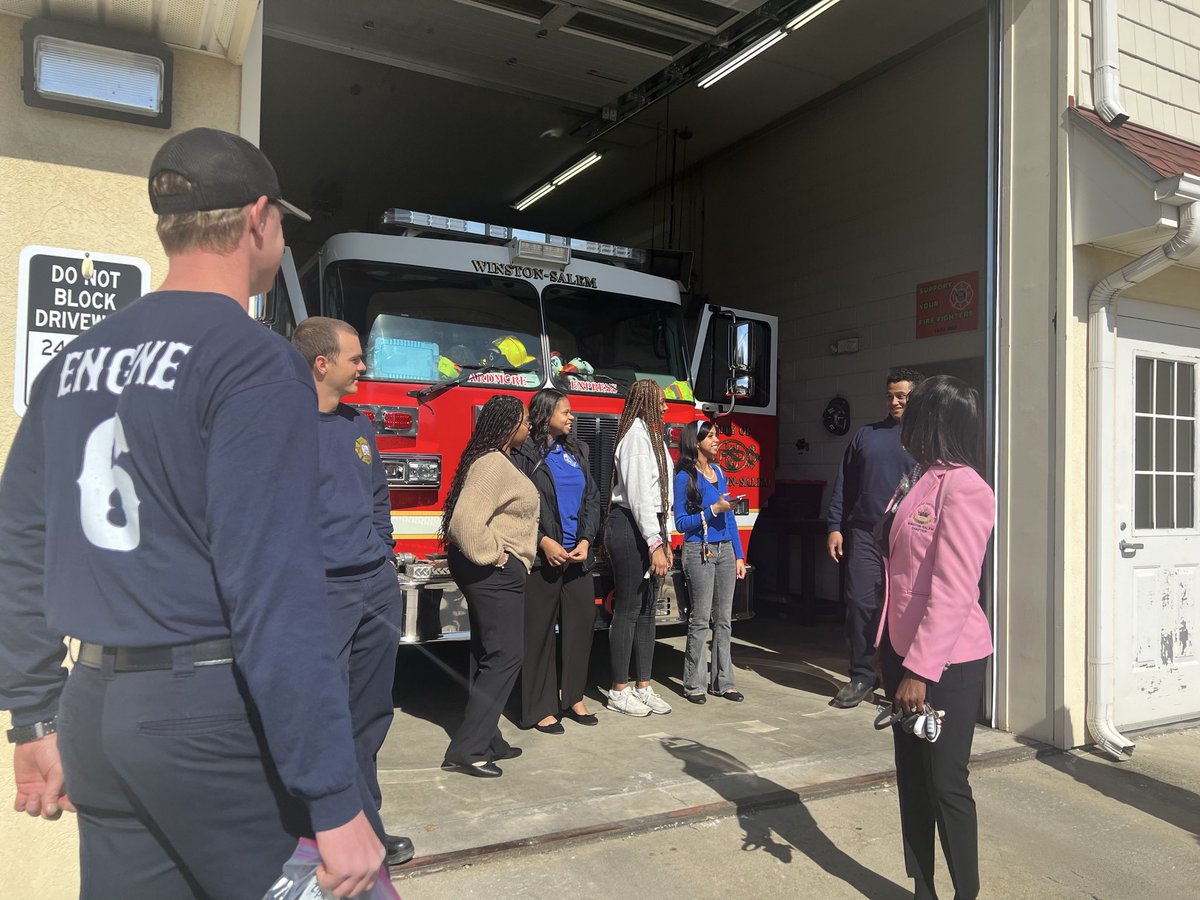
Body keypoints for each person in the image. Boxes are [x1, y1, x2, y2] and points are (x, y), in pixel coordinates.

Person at [0, 128, 385, 897]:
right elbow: (275, 588)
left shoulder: (73, 363)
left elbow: (21, 545)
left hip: (94, 709)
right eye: (281, 224)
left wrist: (33, 716)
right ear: (258, 219)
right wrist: (336, 798)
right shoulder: (252, 361)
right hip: (209, 718)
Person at [292, 316, 413, 866]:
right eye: (356, 358)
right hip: (322, 593)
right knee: (325, 714)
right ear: (322, 364)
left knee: (370, 713)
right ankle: (320, 831)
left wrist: (383, 553)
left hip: (375, 587)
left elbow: (377, 497)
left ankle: (365, 824)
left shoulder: (359, 424)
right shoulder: (283, 426)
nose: (364, 366)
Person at [876, 374, 994, 900]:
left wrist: (920, 671)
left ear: (936, 419)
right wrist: (885, 649)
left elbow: (953, 588)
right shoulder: (919, 476)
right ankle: (923, 889)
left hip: (946, 662)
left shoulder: (966, 487)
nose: (904, 415)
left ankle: (966, 893)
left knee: (946, 784)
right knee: (913, 783)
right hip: (902, 652)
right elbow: (898, 573)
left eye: (915, 408)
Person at [441, 395, 537, 777]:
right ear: (509, 426)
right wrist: (499, 557)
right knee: (506, 656)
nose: (530, 427)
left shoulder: (497, 460)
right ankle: (469, 750)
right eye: (525, 421)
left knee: (488, 654)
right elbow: (464, 523)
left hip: (493, 574)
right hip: (493, 574)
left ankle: (489, 738)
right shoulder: (492, 464)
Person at [825, 367, 923, 708]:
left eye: (902, 396)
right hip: (865, 532)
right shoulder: (866, 435)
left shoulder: (927, 438)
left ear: (916, 398)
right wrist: (834, 526)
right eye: (890, 396)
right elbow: (844, 484)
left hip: (910, 536)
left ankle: (902, 675)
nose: (894, 402)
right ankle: (862, 675)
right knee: (860, 603)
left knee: (906, 606)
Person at [513, 388, 602, 733]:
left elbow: (592, 498)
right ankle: (540, 707)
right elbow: (517, 507)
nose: (571, 417)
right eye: (565, 411)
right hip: (542, 560)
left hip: (577, 558)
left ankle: (574, 697)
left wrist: (587, 539)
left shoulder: (577, 450)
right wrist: (542, 541)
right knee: (538, 634)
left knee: (581, 626)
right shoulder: (523, 452)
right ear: (546, 413)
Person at [605, 379, 674, 717]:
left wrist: (666, 538)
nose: (666, 407)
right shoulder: (635, 437)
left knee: (648, 610)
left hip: (650, 528)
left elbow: (663, 495)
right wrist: (655, 543)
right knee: (629, 608)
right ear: (645, 403)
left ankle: (643, 686)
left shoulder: (654, 437)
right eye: (660, 401)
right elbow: (640, 497)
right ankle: (618, 691)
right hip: (630, 526)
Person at [673, 420, 747, 704]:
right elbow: (681, 523)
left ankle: (724, 682)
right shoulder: (685, 477)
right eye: (711, 436)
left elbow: (730, 518)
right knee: (700, 619)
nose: (717, 440)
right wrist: (713, 509)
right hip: (698, 549)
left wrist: (739, 554)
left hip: (725, 550)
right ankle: (694, 684)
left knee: (724, 620)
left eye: (716, 435)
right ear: (696, 442)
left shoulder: (719, 472)